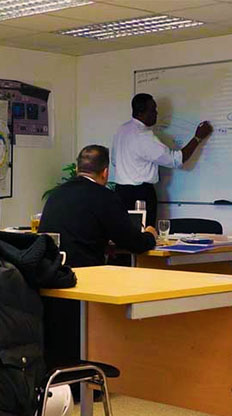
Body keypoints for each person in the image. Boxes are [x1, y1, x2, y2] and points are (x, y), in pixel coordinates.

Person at [39, 144, 158, 372]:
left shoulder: (56, 195)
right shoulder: (104, 197)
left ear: (76, 169)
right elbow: (133, 243)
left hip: (52, 274)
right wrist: (150, 235)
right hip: (85, 278)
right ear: (105, 172)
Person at [112, 93, 213, 227]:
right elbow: (176, 160)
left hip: (120, 192)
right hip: (140, 195)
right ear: (141, 113)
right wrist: (197, 138)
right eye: (153, 110)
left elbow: (114, 160)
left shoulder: (122, 130)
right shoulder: (144, 137)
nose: (156, 113)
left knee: (124, 235)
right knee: (144, 237)